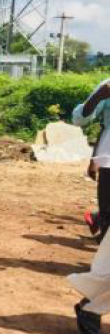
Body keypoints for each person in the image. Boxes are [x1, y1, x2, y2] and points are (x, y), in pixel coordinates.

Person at [72, 79, 110, 241]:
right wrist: (98, 96)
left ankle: (97, 219)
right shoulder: (108, 85)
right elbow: (79, 120)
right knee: (107, 212)